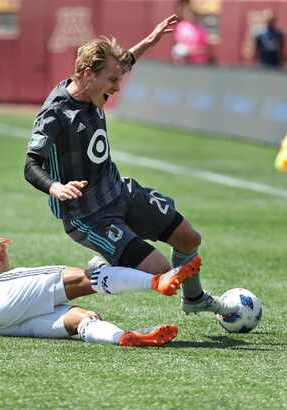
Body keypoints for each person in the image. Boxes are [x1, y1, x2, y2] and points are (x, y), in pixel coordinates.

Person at [24, 15, 236, 317]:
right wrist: (55, 187)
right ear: (87, 74)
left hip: (120, 192)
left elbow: (124, 62)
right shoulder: (55, 113)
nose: (118, 86)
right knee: (163, 272)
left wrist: (150, 41)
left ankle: (195, 299)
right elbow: (30, 165)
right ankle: (107, 266)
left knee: (189, 238)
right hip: (88, 215)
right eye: (112, 80)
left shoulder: (93, 87)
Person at [0, 230, 202, 347]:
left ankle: (124, 337)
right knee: (85, 278)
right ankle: (156, 281)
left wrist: (2, 268)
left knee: (81, 320)